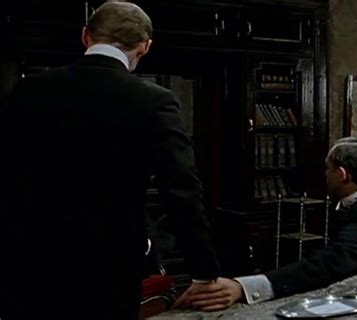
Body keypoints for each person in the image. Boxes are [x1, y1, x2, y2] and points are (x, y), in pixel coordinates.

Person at [0, 3, 219, 319]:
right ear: (144, 47)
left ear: (86, 36)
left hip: (28, 259)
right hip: (109, 264)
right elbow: (182, 190)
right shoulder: (154, 101)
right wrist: (203, 272)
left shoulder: (28, 90)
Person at [174, 136, 357, 311]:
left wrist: (244, 288)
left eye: (327, 169)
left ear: (342, 175)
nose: (324, 174)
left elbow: (327, 265)